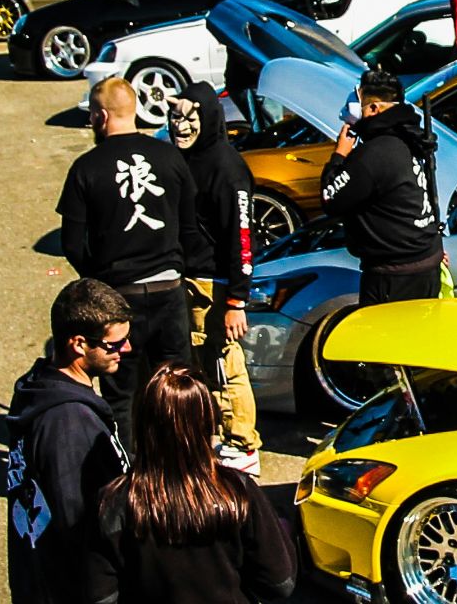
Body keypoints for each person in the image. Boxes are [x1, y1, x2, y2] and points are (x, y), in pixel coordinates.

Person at [58, 78, 203, 446]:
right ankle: (184, 467)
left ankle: (130, 476)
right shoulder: (171, 157)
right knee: (177, 388)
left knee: (121, 396)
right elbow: (190, 227)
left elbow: (73, 244)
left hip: (118, 299)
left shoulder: (86, 168)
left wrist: (98, 281)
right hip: (170, 290)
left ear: (100, 116)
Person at [86, 365, 296, 604]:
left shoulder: (114, 504)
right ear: (206, 424)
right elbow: (280, 584)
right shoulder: (237, 493)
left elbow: (100, 595)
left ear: (142, 425)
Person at [7, 279, 133, 604]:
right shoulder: (68, 423)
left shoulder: (38, 388)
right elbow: (81, 526)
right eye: (114, 344)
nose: (127, 349)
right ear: (78, 344)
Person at [166, 82, 263, 470]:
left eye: (190, 118)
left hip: (215, 284)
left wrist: (237, 299)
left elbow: (242, 238)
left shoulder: (227, 167)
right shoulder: (183, 159)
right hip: (187, 280)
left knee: (224, 363)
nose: (182, 127)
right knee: (199, 363)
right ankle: (207, 436)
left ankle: (243, 444)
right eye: (175, 118)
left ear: (207, 118)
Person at [321, 67, 445, 305]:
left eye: (357, 104)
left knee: (388, 340)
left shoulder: (374, 154)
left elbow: (330, 199)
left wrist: (339, 156)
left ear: (374, 109)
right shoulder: (410, 141)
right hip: (425, 262)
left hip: (395, 276)